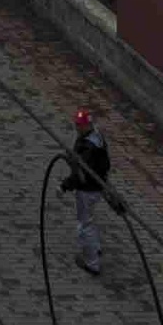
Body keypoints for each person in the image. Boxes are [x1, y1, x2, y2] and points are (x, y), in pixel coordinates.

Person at [65, 111, 114, 276]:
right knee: (89, 219)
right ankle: (95, 247)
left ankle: (92, 263)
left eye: (79, 125)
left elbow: (81, 172)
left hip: (87, 189)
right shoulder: (94, 137)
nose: (76, 127)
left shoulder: (89, 146)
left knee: (85, 225)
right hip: (96, 187)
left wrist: (64, 186)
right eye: (76, 124)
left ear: (87, 125)